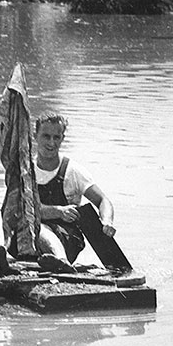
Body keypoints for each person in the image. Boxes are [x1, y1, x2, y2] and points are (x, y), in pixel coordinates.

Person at [33, 111, 116, 273]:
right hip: (31, 237)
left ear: (62, 139)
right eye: (46, 136)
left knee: (40, 228)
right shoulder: (26, 170)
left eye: (56, 137)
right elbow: (20, 210)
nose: (51, 143)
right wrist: (58, 211)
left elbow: (103, 200)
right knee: (3, 217)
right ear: (35, 136)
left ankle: (61, 261)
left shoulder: (73, 171)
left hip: (67, 237)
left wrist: (107, 221)